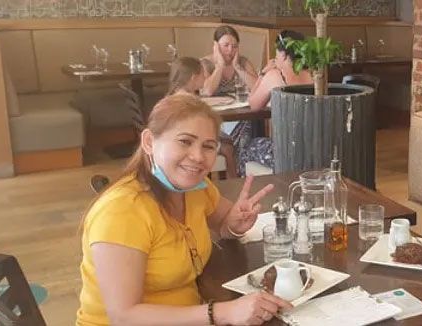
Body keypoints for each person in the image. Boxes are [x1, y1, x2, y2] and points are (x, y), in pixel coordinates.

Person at [76, 94, 293, 326]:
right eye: (185, 141)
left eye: (208, 146)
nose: (198, 157)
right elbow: (124, 316)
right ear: (149, 142)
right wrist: (222, 312)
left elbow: (223, 222)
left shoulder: (195, 188)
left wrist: (235, 223)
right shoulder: (122, 211)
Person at [222, 30, 313, 177]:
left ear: (283, 54)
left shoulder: (275, 75)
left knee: (243, 149)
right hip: (310, 149)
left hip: (283, 152)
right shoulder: (312, 74)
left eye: (277, 53)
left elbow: (253, 104)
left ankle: (240, 189)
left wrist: (263, 73)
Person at [202, 25, 258, 97]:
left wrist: (237, 67)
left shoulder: (243, 62)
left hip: (240, 106)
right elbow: (208, 91)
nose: (230, 50)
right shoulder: (205, 64)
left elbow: (257, 88)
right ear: (216, 46)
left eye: (234, 46)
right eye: (226, 45)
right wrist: (219, 66)